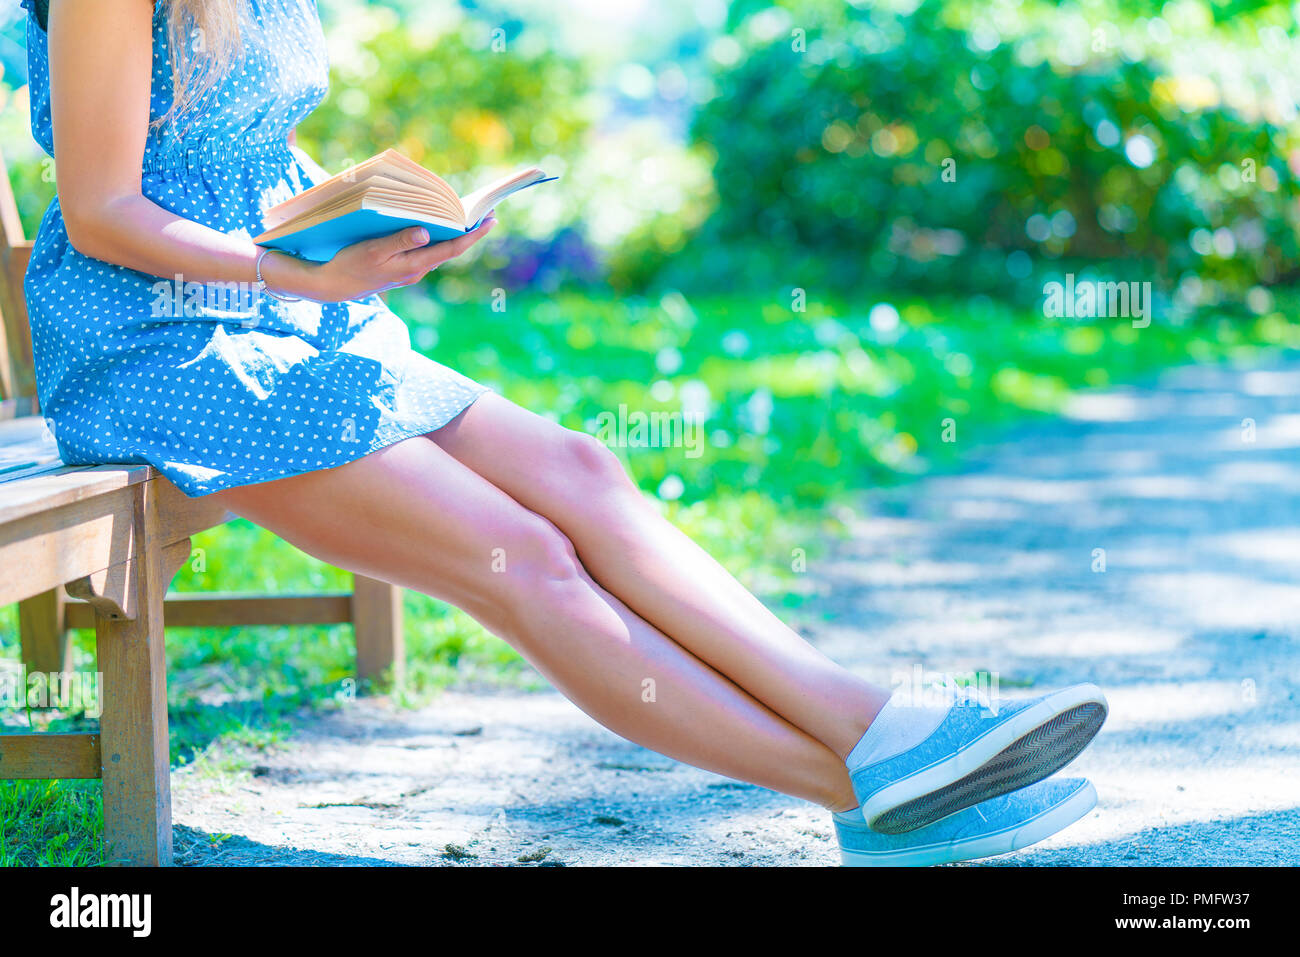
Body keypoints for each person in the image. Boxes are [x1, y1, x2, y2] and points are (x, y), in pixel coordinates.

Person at [19, 0, 1107, 866]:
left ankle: (885, 747)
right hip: (157, 348)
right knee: (524, 558)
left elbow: (229, 150)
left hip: (290, 308)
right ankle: (878, 781)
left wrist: (371, 222)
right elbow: (106, 207)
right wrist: (289, 266)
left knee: (577, 469)